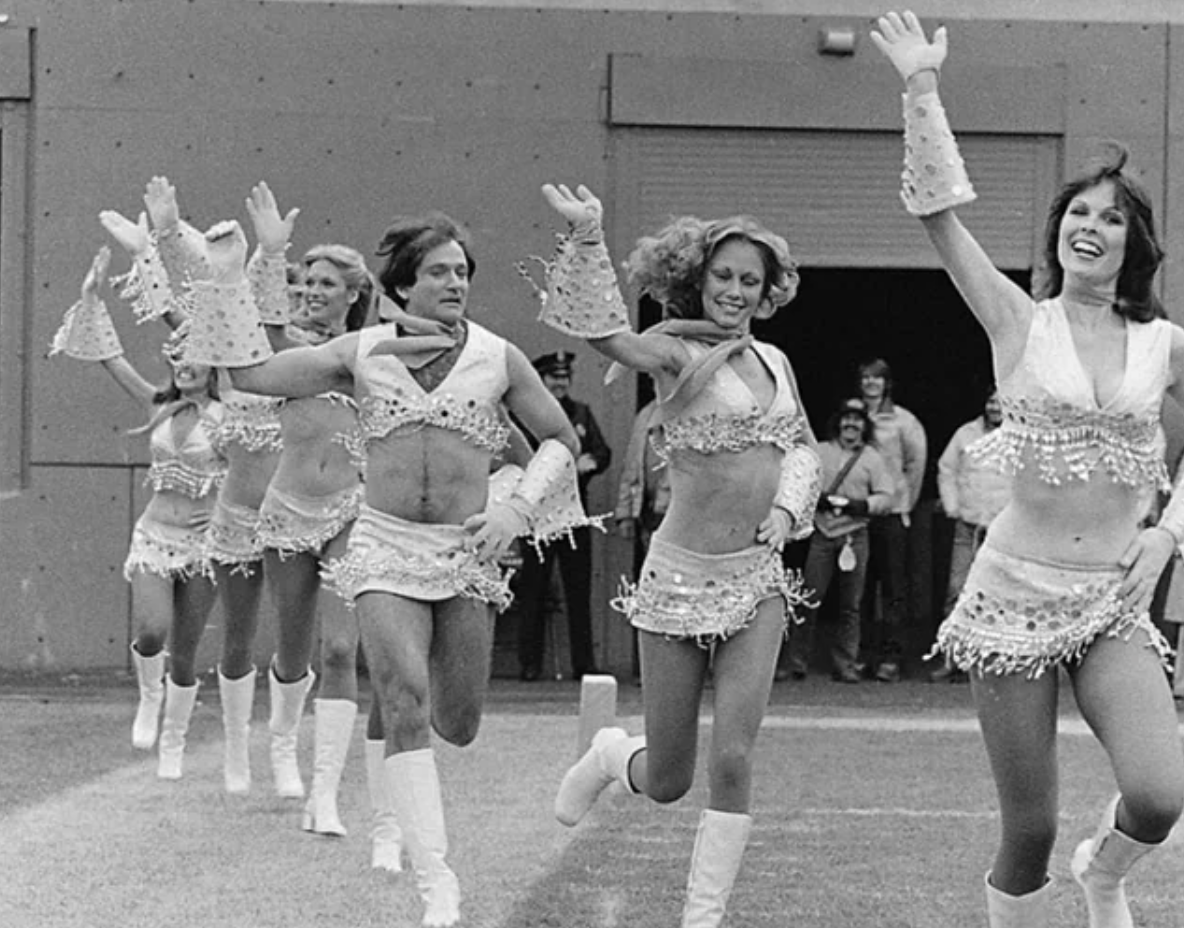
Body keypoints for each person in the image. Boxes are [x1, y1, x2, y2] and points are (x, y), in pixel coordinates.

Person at [177, 211, 584, 928]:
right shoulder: (362, 351)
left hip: (464, 553)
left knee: (457, 722)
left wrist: (514, 511)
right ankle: (436, 881)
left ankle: (586, 760)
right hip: (383, 545)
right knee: (401, 700)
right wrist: (230, 279)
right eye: (439, 271)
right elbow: (251, 373)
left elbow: (558, 439)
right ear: (404, 283)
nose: (455, 282)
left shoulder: (498, 356)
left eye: (463, 271)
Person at [872, 12, 1184, 927]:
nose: (1091, 226)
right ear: (1058, 234)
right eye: (1078, 213)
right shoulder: (1019, 320)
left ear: (1137, 244)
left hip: (1114, 596)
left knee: (1162, 796)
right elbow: (936, 212)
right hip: (1011, 594)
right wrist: (921, 88)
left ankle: (1109, 872)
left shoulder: (1164, 344)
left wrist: (1167, 532)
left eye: (1111, 217)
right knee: (1029, 831)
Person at [532, 183, 820, 928]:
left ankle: (703, 917)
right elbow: (605, 338)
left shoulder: (779, 362)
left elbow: (804, 451)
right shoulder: (673, 351)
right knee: (667, 778)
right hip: (678, 581)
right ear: (699, 278)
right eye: (723, 276)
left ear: (768, 290)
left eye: (749, 280)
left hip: (755, 581)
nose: (734, 290)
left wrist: (789, 509)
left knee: (733, 758)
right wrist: (590, 238)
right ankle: (606, 755)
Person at [50, 246, 224, 780]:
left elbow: (251, 478)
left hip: (203, 545)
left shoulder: (232, 416)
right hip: (156, 534)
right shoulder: (158, 404)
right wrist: (90, 297)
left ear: (214, 363)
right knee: (152, 631)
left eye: (194, 357)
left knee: (188, 653)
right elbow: (111, 359)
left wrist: (222, 522)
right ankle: (149, 696)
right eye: (178, 357)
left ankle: (174, 742)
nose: (184, 365)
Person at [780, 398, 895, 683]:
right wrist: (814, 500)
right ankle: (796, 662)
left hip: (854, 537)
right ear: (837, 423)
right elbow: (796, 479)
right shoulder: (820, 450)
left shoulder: (872, 458)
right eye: (846, 419)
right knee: (807, 598)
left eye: (857, 420)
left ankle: (846, 663)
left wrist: (861, 505)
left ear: (864, 426)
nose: (851, 424)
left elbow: (886, 496)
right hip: (821, 533)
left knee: (851, 606)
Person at [514, 349, 611, 681]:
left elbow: (602, 451)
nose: (560, 384)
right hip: (538, 516)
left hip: (573, 515)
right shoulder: (530, 413)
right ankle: (530, 663)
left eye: (564, 378)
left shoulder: (580, 413)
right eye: (554, 378)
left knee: (578, 591)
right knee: (534, 590)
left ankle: (583, 663)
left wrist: (592, 462)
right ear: (541, 379)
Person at [930, 389, 1010, 682]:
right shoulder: (966, 434)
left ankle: (992, 662)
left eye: (1001, 403)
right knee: (958, 590)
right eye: (991, 402)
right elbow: (946, 469)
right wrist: (952, 506)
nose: (994, 408)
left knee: (1000, 595)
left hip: (1004, 530)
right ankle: (953, 659)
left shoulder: (1022, 436)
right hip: (968, 524)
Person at [857, 357, 927, 682]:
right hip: (856, 510)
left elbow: (916, 464)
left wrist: (905, 505)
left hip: (892, 513)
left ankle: (891, 657)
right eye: (866, 378)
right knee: (859, 588)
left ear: (887, 383)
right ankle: (859, 655)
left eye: (877, 378)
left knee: (893, 588)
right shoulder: (852, 414)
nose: (871, 383)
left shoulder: (903, 421)